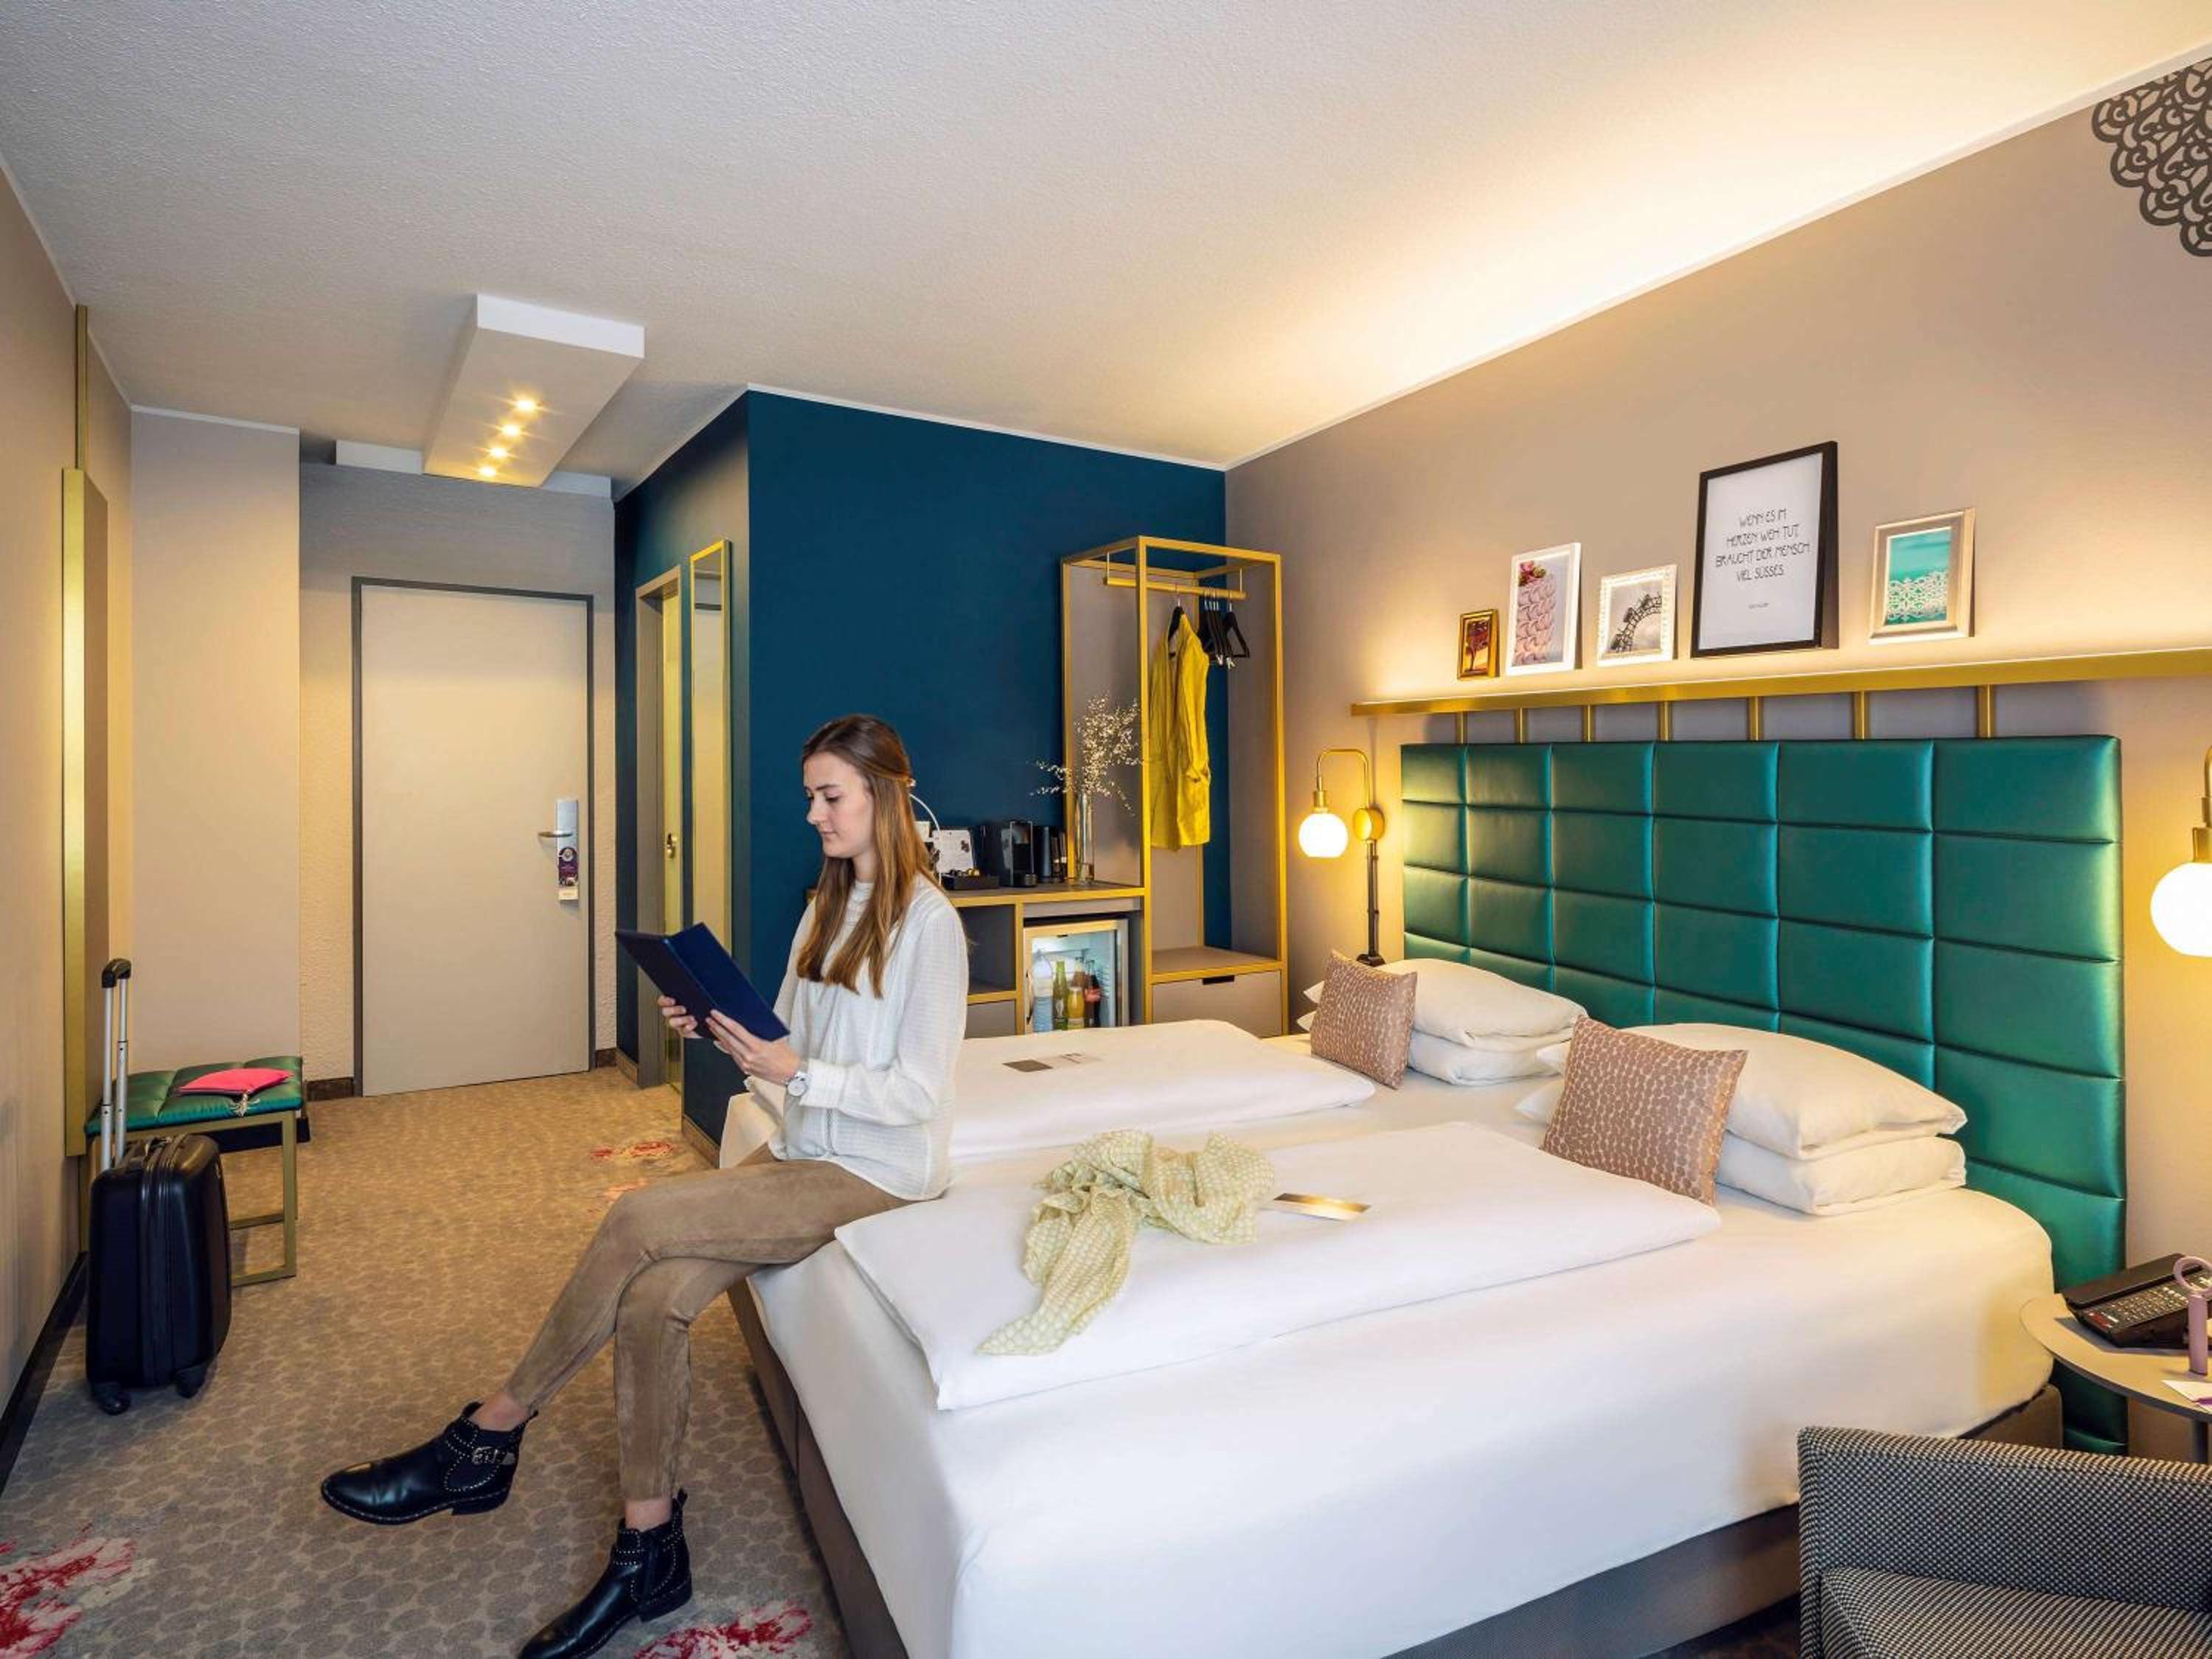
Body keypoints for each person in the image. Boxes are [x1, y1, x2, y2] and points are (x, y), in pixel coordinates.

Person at [321, 714, 967, 1658]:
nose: (813, 814)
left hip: (877, 1173)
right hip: (806, 1150)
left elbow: (918, 1095)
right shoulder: (827, 908)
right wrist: (720, 1028)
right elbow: (786, 1042)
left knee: (637, 1216)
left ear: (884, 794)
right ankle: (649, 1551)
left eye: (830, 796)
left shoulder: (931, 926)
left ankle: (486, 1438)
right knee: (654, 1299)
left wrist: (798, 1073)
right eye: (811, 797)